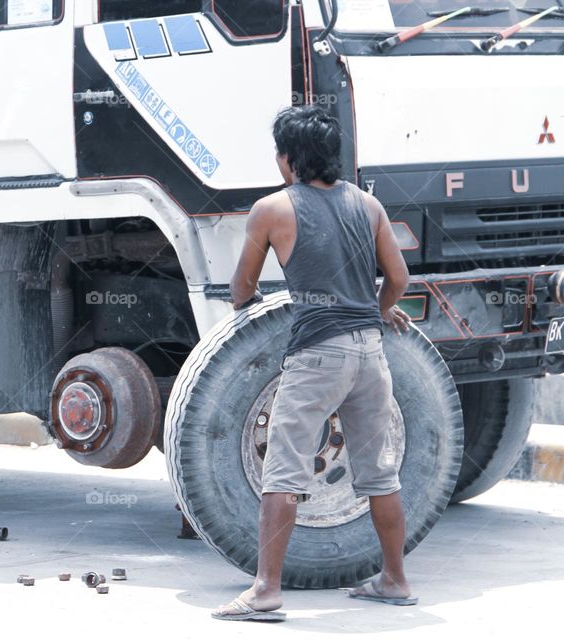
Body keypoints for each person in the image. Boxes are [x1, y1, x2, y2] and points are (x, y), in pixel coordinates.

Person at [212, 105, 415, 622]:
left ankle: (265, 592)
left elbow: (241, 289)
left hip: (317, 354)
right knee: (380, 474)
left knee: (283, 471)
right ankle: (394, 580)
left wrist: (246, 303)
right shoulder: (368, 205)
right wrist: (381, 309)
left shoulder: (272, 210)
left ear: (288, 160)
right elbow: (400, 279)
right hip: (370, 352)